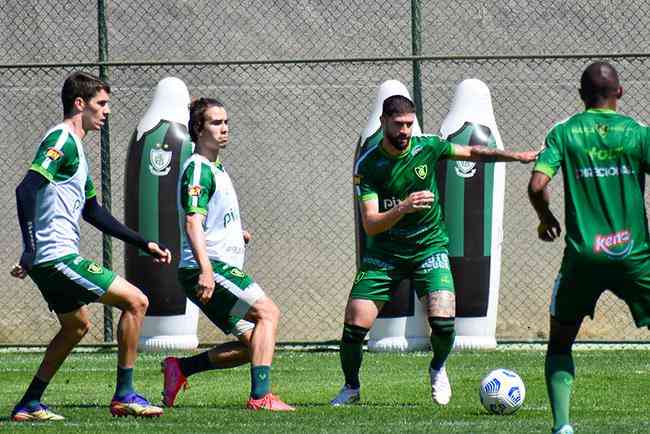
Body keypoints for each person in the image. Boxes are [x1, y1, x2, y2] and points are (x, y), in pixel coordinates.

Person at [331, 95, 538, 407]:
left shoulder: (426, 146)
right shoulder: (369, 164)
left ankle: (438, 368)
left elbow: (474, 151)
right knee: (354, 327)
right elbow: (371, 224)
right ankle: (351, 387)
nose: (405, 131)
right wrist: (404, 207)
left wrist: (516, 156)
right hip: (384, 255)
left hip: (429, 247)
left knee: (442, 323)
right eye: (399, 124)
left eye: (409, 125)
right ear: (385, 121)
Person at [10, 71, 172, 421]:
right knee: (137, 301)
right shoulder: (62, 139)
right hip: (56, 256)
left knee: (76, 326)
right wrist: (30, 247)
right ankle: (125, 394)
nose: (107, 111)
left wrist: (144, 242)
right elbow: (26, 189)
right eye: (101, 103)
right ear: (79, 104)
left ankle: (29, 404)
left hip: (49, 258)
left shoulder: (77, 150)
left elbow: (94, 212)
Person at [528, 61, 650, 434]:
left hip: (583, 258)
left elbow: (536, 186)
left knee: (561, 345)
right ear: (621, 93)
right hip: (634, 254)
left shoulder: (564, 132)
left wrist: (546, 218)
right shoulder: (637, 133)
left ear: (581, 96)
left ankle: (563, 427)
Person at [161, 97, 294, 412]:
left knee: (256, 345)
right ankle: (261, 397)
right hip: (209, 269)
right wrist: (206, 269)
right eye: (216, 123)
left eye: (226, 122)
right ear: (198, 129)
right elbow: (192, 220)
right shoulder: (197, 169)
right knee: (268, 314)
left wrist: (237, 234)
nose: (224, 129)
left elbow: (210, 219)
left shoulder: (215, 168)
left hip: (215, 267)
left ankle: (180, 369)